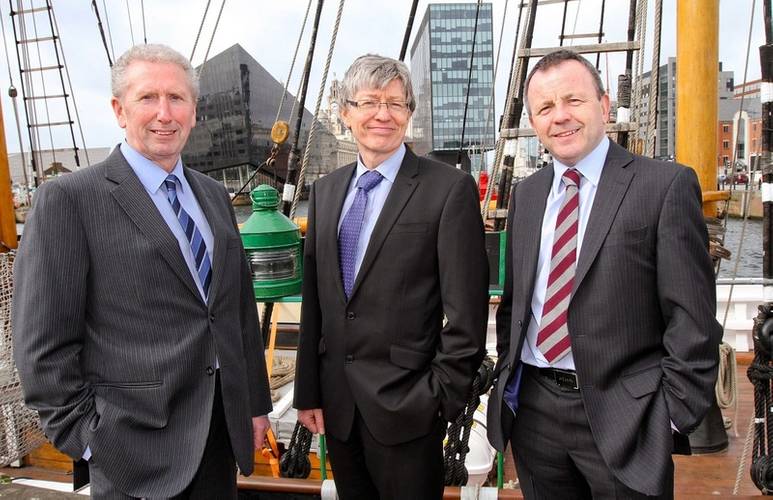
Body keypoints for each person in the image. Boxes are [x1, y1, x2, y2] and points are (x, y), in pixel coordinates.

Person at [12, 44, 272, 499]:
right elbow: (42, 346)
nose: (164, 114)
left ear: (194, 111)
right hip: (132, 451)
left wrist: (254, 406)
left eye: (177, 99)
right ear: (119, 109)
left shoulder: (213, 196)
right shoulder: (70, 201)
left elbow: (235, 313)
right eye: (147, 98)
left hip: (217, 441)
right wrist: (90, 442)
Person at [486, 49, 722, 499]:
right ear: (534, 123)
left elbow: (692, 315)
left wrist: (670, 415)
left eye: (573, 101)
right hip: (535, 411)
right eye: (545, 108)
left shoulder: (663, 186)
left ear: (604, 105)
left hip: (626, 415)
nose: (560, 117)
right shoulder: (527, 195)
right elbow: (516, 303)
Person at [293, 54, 489, 500]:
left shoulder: (448, 189)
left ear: (409, 114)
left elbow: (467, 318)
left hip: (410, 412)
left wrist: (436, 400)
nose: (383, 114)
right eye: (370, 102)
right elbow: (316, 302)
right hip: (338, 410)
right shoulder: (325, 191)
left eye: (396, 104)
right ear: (346, 112)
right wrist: (308, 392)